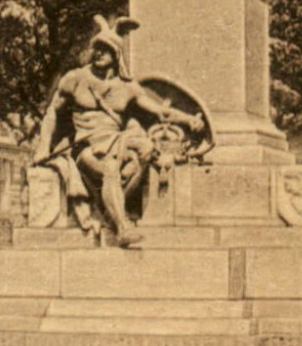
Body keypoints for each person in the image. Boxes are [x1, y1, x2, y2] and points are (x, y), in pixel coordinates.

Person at [33, 17, 205, 247]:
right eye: (97, 48)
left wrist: (189, 120)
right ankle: (122, 227)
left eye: (105, 49)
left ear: (116, 55)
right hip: (87, 146)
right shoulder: (75, 79)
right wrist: (44, 145)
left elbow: (161, 113)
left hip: (117, 140)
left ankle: (110, 204)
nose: (98, 53)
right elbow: (52, 113)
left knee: (145, 149)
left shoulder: (127, 88)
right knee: (111, 170)